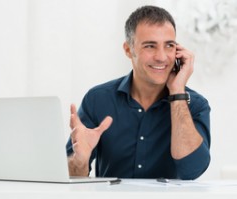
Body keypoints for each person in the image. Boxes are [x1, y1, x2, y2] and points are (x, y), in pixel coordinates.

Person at [66, 5, 211, 180]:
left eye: (169, 46)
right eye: (150, 46)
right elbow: (69, 177)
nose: (162, 57)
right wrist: (81, 160)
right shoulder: (98, 99)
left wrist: (177, 93)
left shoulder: (195, 104)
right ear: (128, 50)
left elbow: (192, 170)